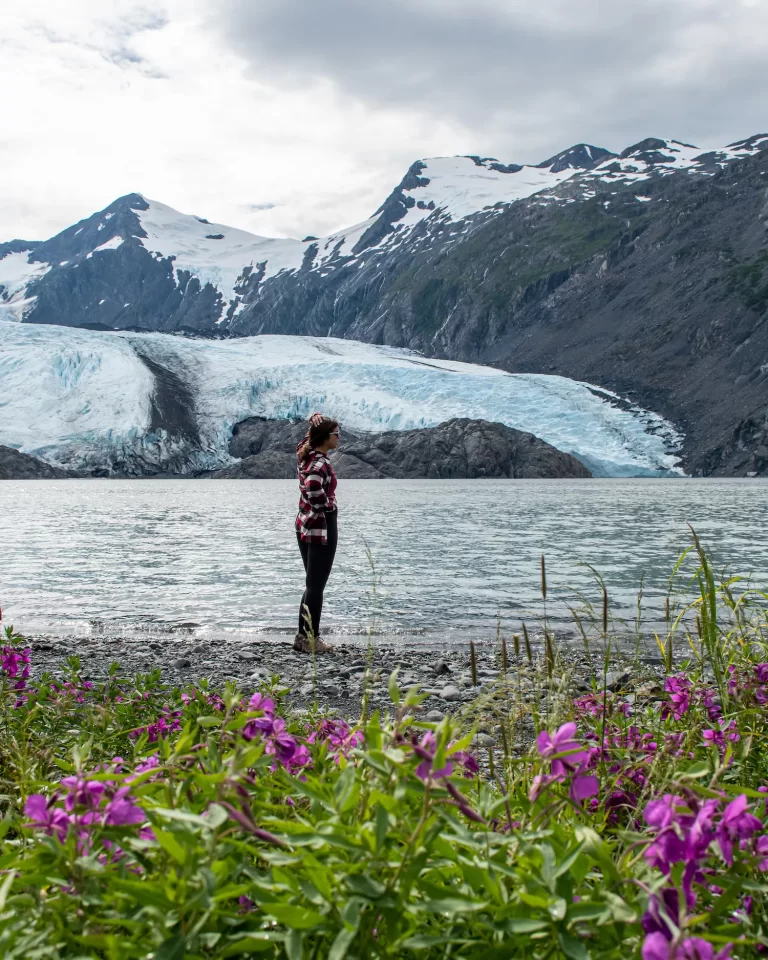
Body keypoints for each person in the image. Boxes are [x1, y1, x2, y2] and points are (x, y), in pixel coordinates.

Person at [294, 412, 340, 653]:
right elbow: (314, 490)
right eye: (335, 434)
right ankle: (311, 639)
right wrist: (330, 506)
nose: (339, 438)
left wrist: (312, 426)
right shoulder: (320, 462)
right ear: (325, 438)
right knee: (316, 586)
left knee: (311, 584)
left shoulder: (306, 453)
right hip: (322, 525)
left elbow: (304, 443)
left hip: (305, 523)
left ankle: (303, 637)